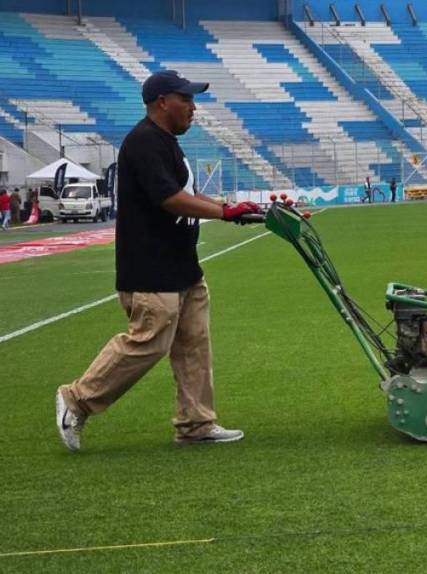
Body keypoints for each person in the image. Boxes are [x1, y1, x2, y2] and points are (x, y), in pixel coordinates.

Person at [55, 69, 262, 452]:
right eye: (186, 100)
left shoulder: (167, 142)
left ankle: (196, 423)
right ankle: (77, 399)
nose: (193, 108)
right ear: (163, 101)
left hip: (183, 266)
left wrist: (229, 209)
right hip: (151, 268)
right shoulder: (143, 142)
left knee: (194, 346)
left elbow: (186, 196)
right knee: (148, 342)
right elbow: (169, 199)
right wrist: (225, 212)